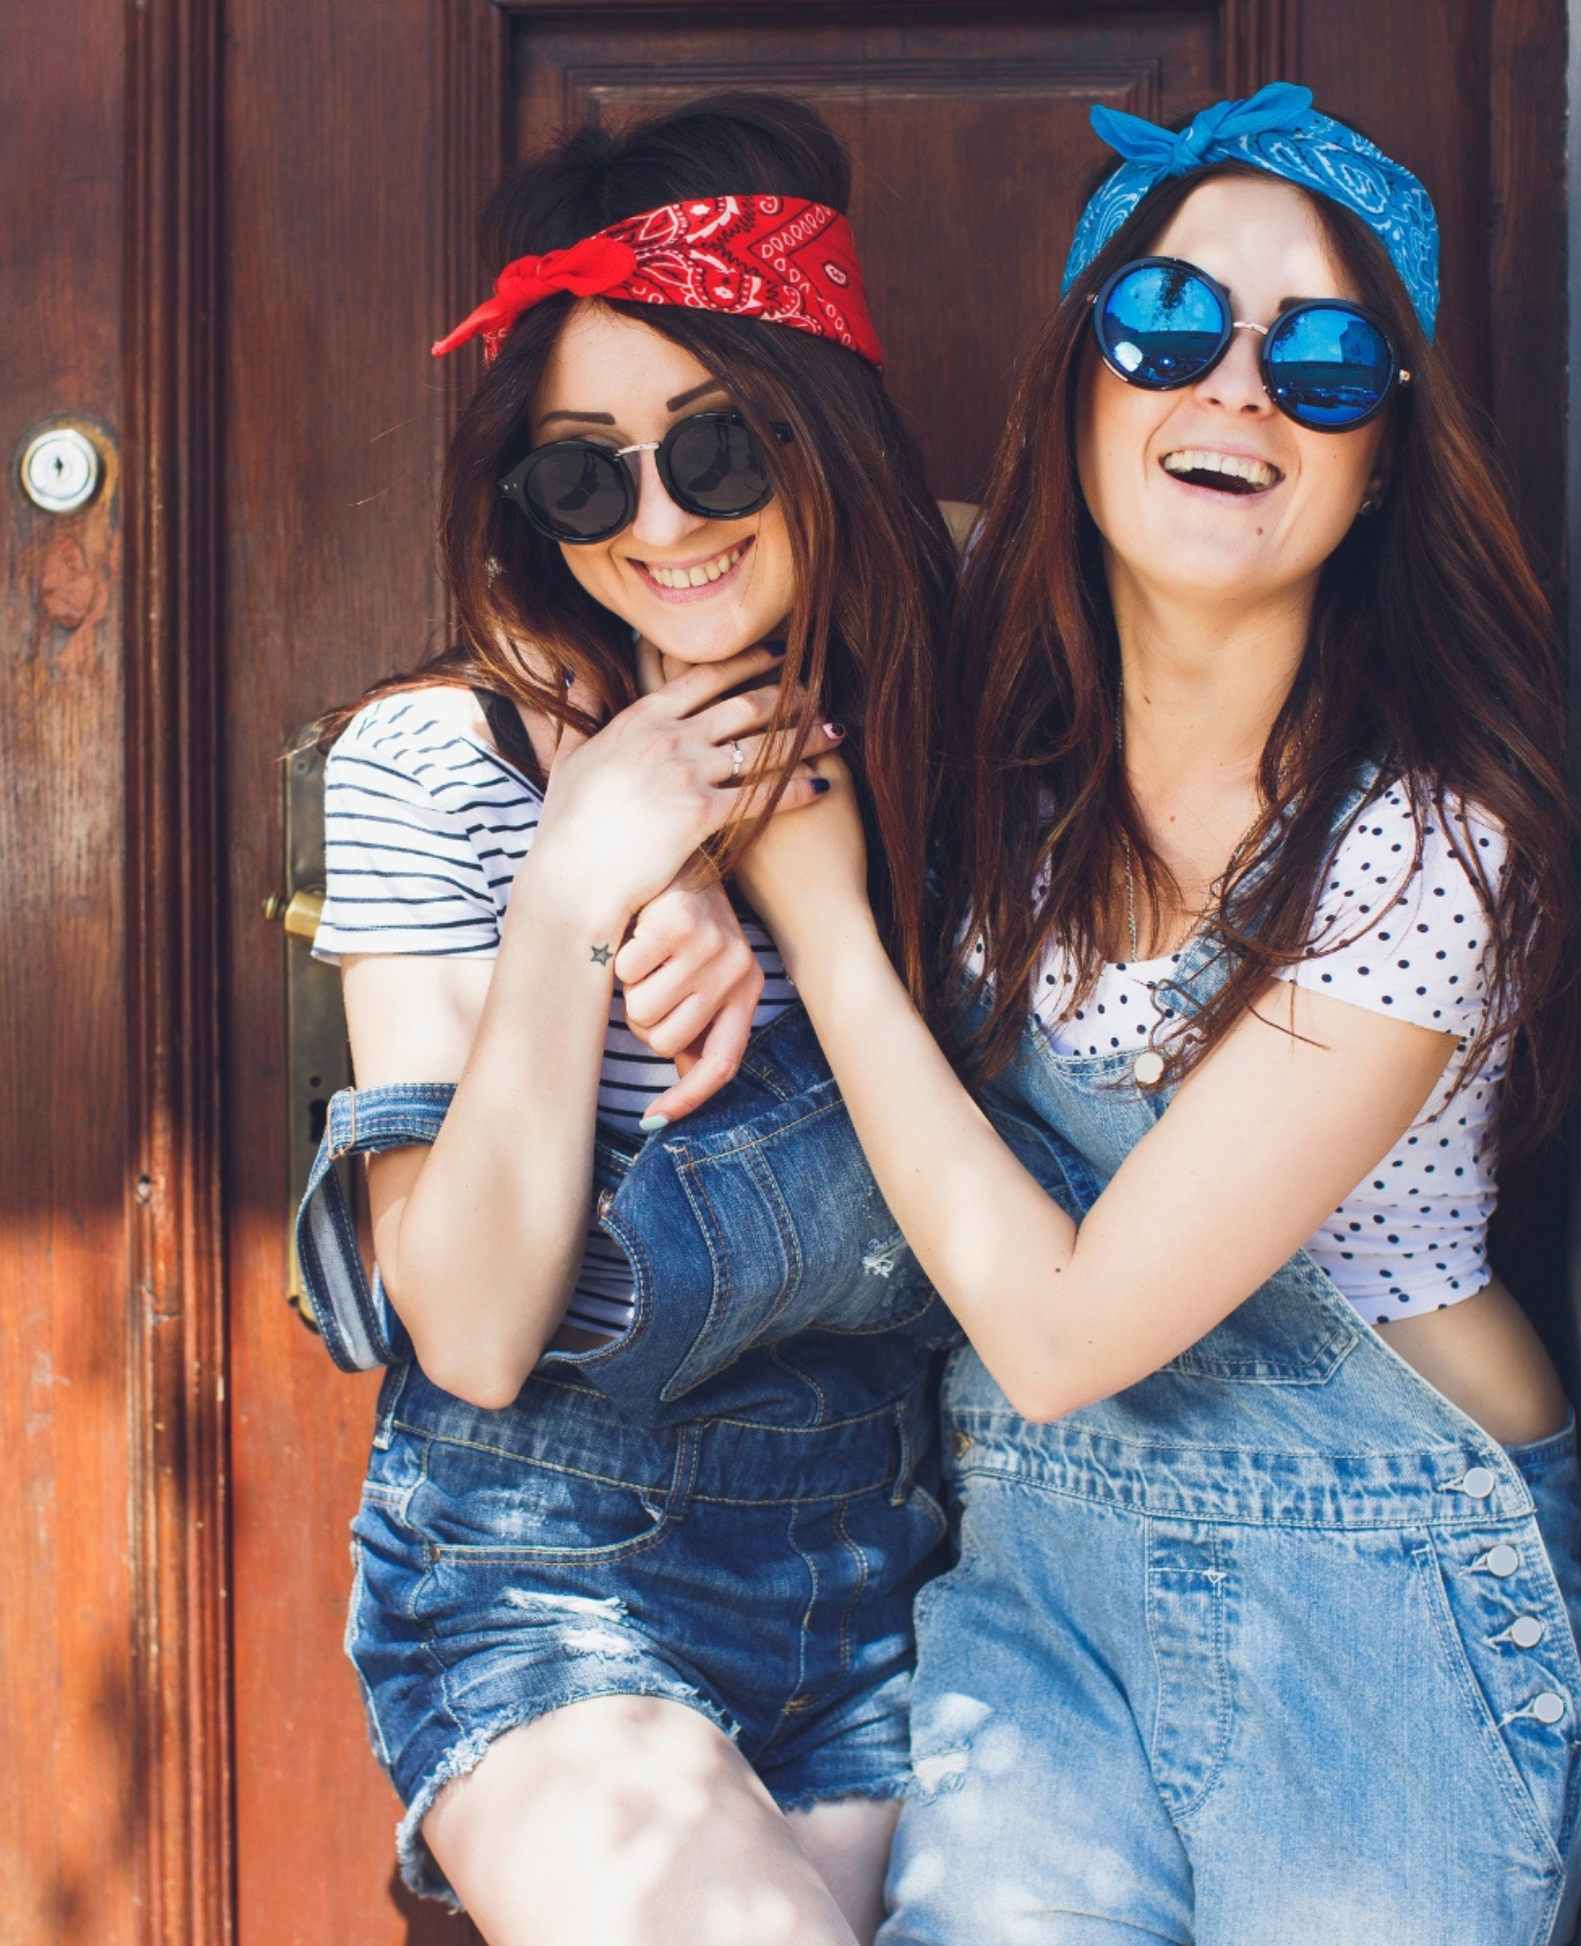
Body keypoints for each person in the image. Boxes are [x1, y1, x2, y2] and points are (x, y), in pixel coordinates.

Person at [732, 83, 1581, 1944]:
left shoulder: (1424, 844)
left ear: (1384, 458)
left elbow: (1063, 1333)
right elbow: (678, 556)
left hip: (1374, 1610)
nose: (1237, 390)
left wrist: (825, 929)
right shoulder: (977, 735)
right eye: (1169, 323)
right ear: (1078, 383)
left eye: (1326, 361)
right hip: (1041, 1586)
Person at [297, 96, 960, 1944]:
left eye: (718, 445)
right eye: (584, 478)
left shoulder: (956, 733)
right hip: (544, 1584)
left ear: (822, 431)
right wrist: (575, 888)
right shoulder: (437, 765)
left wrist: (767, 863)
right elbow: (470, 1327)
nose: (661, 523)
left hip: (903, 1591)